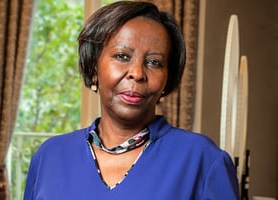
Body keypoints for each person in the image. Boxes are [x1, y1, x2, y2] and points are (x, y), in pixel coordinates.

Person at [24, 1, 239, 199]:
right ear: (93, 67)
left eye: (154, 62)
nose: (137, 73)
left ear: (167, 79)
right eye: (122, 56)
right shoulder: (48, 157)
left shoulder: (203, 160)